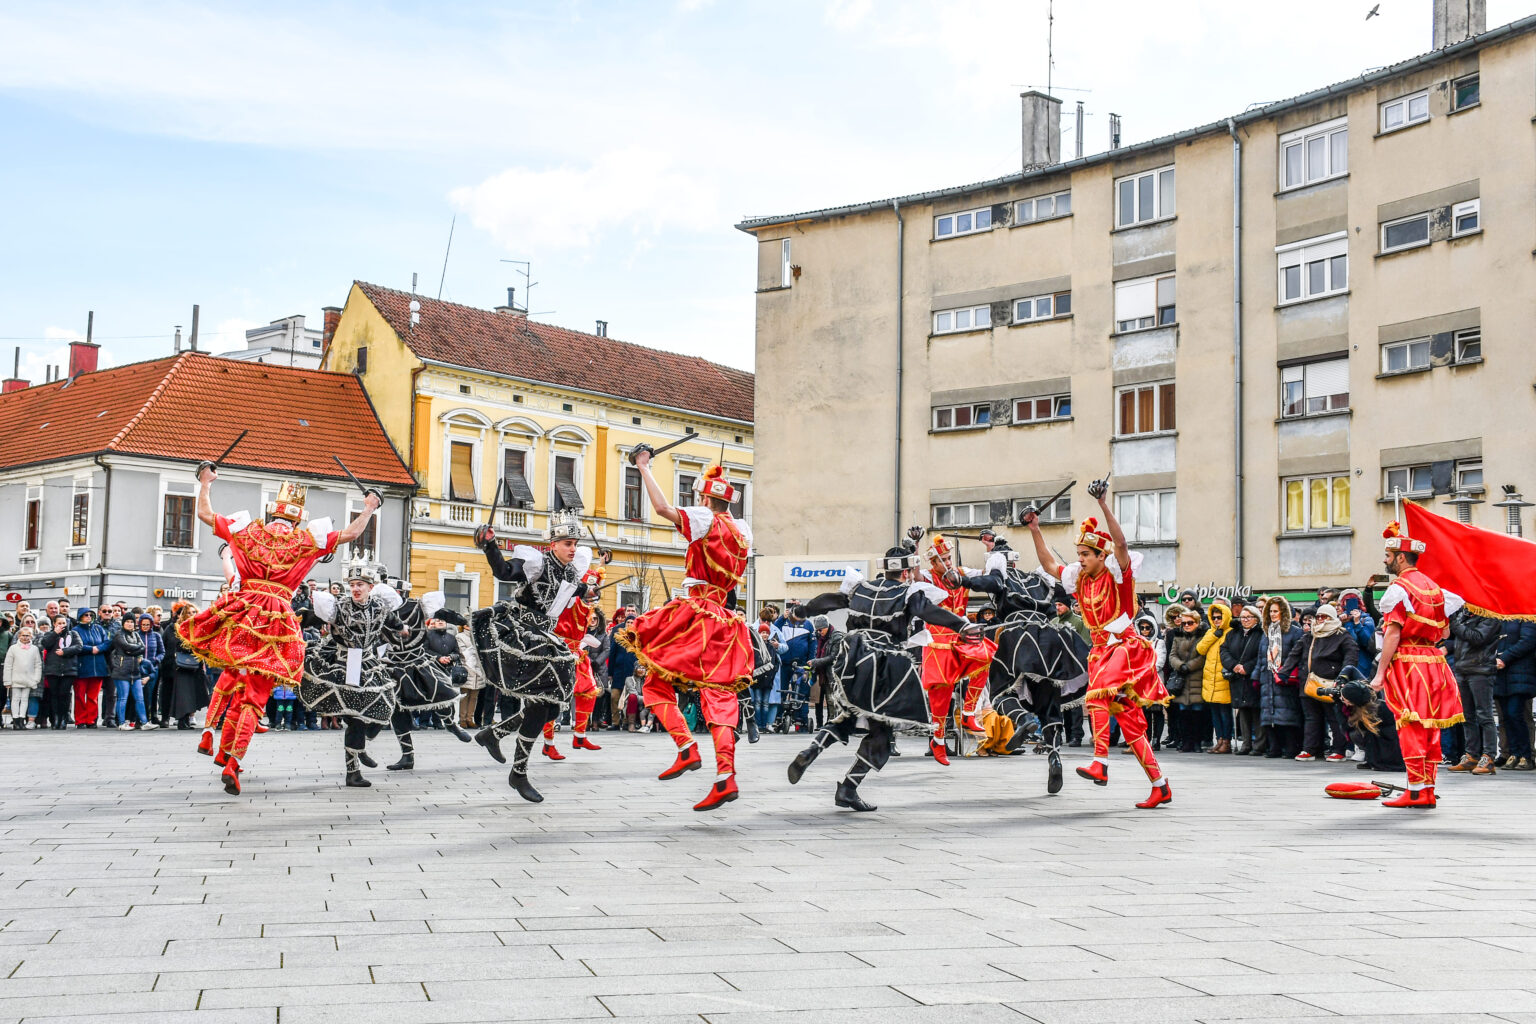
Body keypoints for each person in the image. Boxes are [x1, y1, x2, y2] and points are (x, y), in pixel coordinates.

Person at [183, 468, 380, 795]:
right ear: (298, 519)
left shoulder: (246, 531)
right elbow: (351, 533)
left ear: (271, 513)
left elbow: (204, 513)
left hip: (243, 612)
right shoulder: (306, 540)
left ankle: (214, 741)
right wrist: (370, 506)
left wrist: (205, 482)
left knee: (234, 678)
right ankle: (232, 760)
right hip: (276, 620)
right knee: (255, 694)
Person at [790, 544, 978, 811]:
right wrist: (963, 625)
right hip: (884, 664)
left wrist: (805, 611)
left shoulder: (861, 588)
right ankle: (848, 789)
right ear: (907, 572)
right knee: (881, 734)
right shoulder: (908, 593)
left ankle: (813, 750)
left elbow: (829, 600)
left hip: (852, 658)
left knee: (847, 716)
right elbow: (929, 612)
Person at [1021, 481, 1172, 808]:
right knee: (1130, 724)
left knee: (1097, 694)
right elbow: (1049, 565)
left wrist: (1103, 503)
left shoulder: (1119, 575)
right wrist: (1035, 529)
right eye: (1079, 554)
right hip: (1101, 651)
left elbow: (1121, 543)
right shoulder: (1080, 579)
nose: (1080, 559)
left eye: (1085, 554)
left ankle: (1100, 762)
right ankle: (1160, 785)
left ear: (1102, 555)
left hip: (1125, 646)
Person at [615, 457, 753, 811]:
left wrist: (643, 467)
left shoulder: (705, 520)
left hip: (696, 613)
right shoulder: (742, 531)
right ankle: (725, 776)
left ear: (705, 500)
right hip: (726, 620)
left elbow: (663, 508)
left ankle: (686, 746)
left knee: (654, 681)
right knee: (719, 697)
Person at [470, 512, 583, 803]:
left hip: (547, 638)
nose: (573, 548)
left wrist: (587, 590)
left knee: (551, 709)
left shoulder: (571, 572)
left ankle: (494, 734)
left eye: (575, 543)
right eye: (567, 543)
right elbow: (504, 572)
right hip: (523, 635)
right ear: (553, 544)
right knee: (541, 705)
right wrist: (490, 546)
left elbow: (572, 592)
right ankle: (518, 772)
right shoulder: (537, 562)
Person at [1366, 522, 1467, 806]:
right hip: (1434, 662)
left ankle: (1413, 791)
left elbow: (1392, 634)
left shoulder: (1399, 588)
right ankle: (1427, 790)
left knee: (1410, 725)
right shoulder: (1434, 588)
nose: (1385, 561)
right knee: (1431, 727)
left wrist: (1380, 674)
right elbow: (1444, 632)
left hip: (1409, 664)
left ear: (1401, 557)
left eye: (1388, 556)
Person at [300, 562, 405, 787]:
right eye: (353, 585)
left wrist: (402, 629)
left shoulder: (379, 606)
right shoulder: (339, 606)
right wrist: (290, 617)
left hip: (369, 662)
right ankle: (353, 771)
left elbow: (393, 621)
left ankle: (361, 744)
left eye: (360, 585)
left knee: (387, 704)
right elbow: (309, 618)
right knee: (355, 717)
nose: (356, 589)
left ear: (370, 587)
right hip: (346, 664)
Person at [383, 589, 473, 771]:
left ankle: (451, 725)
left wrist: (463, 621)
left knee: (440, 693)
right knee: (397, 709)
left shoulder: (416, 606)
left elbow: (442, 613)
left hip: (418, 662)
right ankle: (407, 755)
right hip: (393, 666)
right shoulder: (377, 611)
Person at [543, 557, 608, 757]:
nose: (592, 597)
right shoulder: (567, 595)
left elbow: (594, 582)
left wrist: (601, 564)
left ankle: (580, 736)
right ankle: (548, 743)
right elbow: (584, 584)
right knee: (553, 698)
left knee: (588, 691)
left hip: (577, 654)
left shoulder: (585, 602)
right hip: (558, 652)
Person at [1446, 605, 1502, 775]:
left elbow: (1477, 637)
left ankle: (1489, 756)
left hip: (1481, 670)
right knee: (1466, 715)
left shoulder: (1491, 615)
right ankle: (1471, 755)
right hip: (1462, 668)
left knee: (1484, 715)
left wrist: (1454, 623)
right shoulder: (1464, 614)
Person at [1297, 604, 1356, 763]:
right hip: (1312, 682)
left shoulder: (1342, 635)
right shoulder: (1312, 634)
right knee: (1312, 718)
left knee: (1334, 717)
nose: (1320, 620)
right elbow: (1295, 654)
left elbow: (1351, 655)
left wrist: (1343, 676)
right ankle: (1310, 749)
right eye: (1318, 617)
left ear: (1332, 618)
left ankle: (1339, 750)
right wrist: (1285, 672)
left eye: (1325, 617)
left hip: (1333, 682)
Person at [1256, 596, 1304, 760]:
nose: (1272, 614)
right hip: (1267, 677)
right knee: (1269, 714)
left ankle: (1290, 747)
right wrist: (1257, 677)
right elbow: (1261, 657)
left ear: (1283, 612)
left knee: (1288, 714)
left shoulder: (1294, 631)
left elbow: (1298, 655)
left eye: (1275, 611)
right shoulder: (1266, 633)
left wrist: (1287, 672)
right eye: (1270, 611)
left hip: (1286, 677)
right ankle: (1274, 747)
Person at [1492, 618, 1536, 771]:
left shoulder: (1526, 617)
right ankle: (1514, 753)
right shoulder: (1501, 617)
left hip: (1520, 672)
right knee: (1506, 716)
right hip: (1502, 674)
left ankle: (1526, 755)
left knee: (1515, 713)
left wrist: (1504, 657)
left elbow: (1528, 640)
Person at [158, 604, 210, 730]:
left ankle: (186, 719)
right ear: (184, 614)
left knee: (192, 693)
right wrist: (192, 646)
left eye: (194, 612)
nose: (192, 615)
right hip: (180, 666)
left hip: (195, 666)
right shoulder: (176, 627)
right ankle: (181, 720)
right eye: (189, 612)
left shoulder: (198, 626)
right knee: (182, 694)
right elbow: (172, 644)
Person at [1222, 605, 1264, 755]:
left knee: (1256, 710)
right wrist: (1233, 665)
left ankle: (1259, 745)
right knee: (1243, 710)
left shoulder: (1261, 634)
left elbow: (1261, 654)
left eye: (1249, 617)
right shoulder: (1233, 633)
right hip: (1238, 677)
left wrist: (1247, 667)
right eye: (1243, 617)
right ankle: (1246, 744)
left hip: (1253, 676)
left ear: (1256, 619)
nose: (1245, 620)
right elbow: (1224, 650)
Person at [1196, 603, 1233, 754]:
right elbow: (1200, 649)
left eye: (1219, 617)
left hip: (1223, 677)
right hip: (1210, 677)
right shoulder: (1211, 632)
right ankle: (1219, 740)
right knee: (1215, 713)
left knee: (1224, 712)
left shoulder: (1230, 632)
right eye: (1214, 617)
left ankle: (1227, 741)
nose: (1217, 620)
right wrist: (1213, 635)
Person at [108, 614, 152, 731]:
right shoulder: (119, 634)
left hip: (135, 671)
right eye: (127, 621)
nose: (130, 624)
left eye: (132, 622)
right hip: (121, 671)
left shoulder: (136, 634)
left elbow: (142, 647)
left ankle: (144, 722)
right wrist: (135, 649)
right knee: (123, 698)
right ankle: (122, 723)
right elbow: (126, 646)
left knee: (140, 698)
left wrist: (131, 651)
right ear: (123, 623)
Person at [70, 608, 109, 729]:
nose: (88, 617)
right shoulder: (75, 630)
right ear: (80, 617)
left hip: (98, 667)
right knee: (80, 695)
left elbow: (107, 642)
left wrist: (98, 648)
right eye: (85, 615)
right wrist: (90, 649)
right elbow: (76, 645)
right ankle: (80, 720)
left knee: (93, 696)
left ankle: (91, 720)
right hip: (82, 666)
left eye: (90, 615)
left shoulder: (99, 628)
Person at [39, 614, 79, 729]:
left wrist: (65, 651)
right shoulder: (49, 634)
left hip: (68, 670)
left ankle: (63, 718)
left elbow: (78, 646)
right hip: (53, 670)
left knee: (64, 694)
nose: (62, 625)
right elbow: (45, 644)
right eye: (59, 623)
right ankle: (55, 718)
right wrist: (55, 633)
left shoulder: (73, 634)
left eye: (63, 623)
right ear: (54, 624)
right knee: (54, 694)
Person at [5, 626, 42, 729]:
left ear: (31, 636)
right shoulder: (13, 648)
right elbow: (8, 665)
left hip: (28, 679)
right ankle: (16, 720)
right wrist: (7, 680)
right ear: (19, 636)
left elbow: (38, 665)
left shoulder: (34, 649)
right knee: (15, 699)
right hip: (15, 678)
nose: (25, 637)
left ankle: (22, 719)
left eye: (28, 635)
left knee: (25, 699)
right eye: (23, 635)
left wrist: (36, 679)